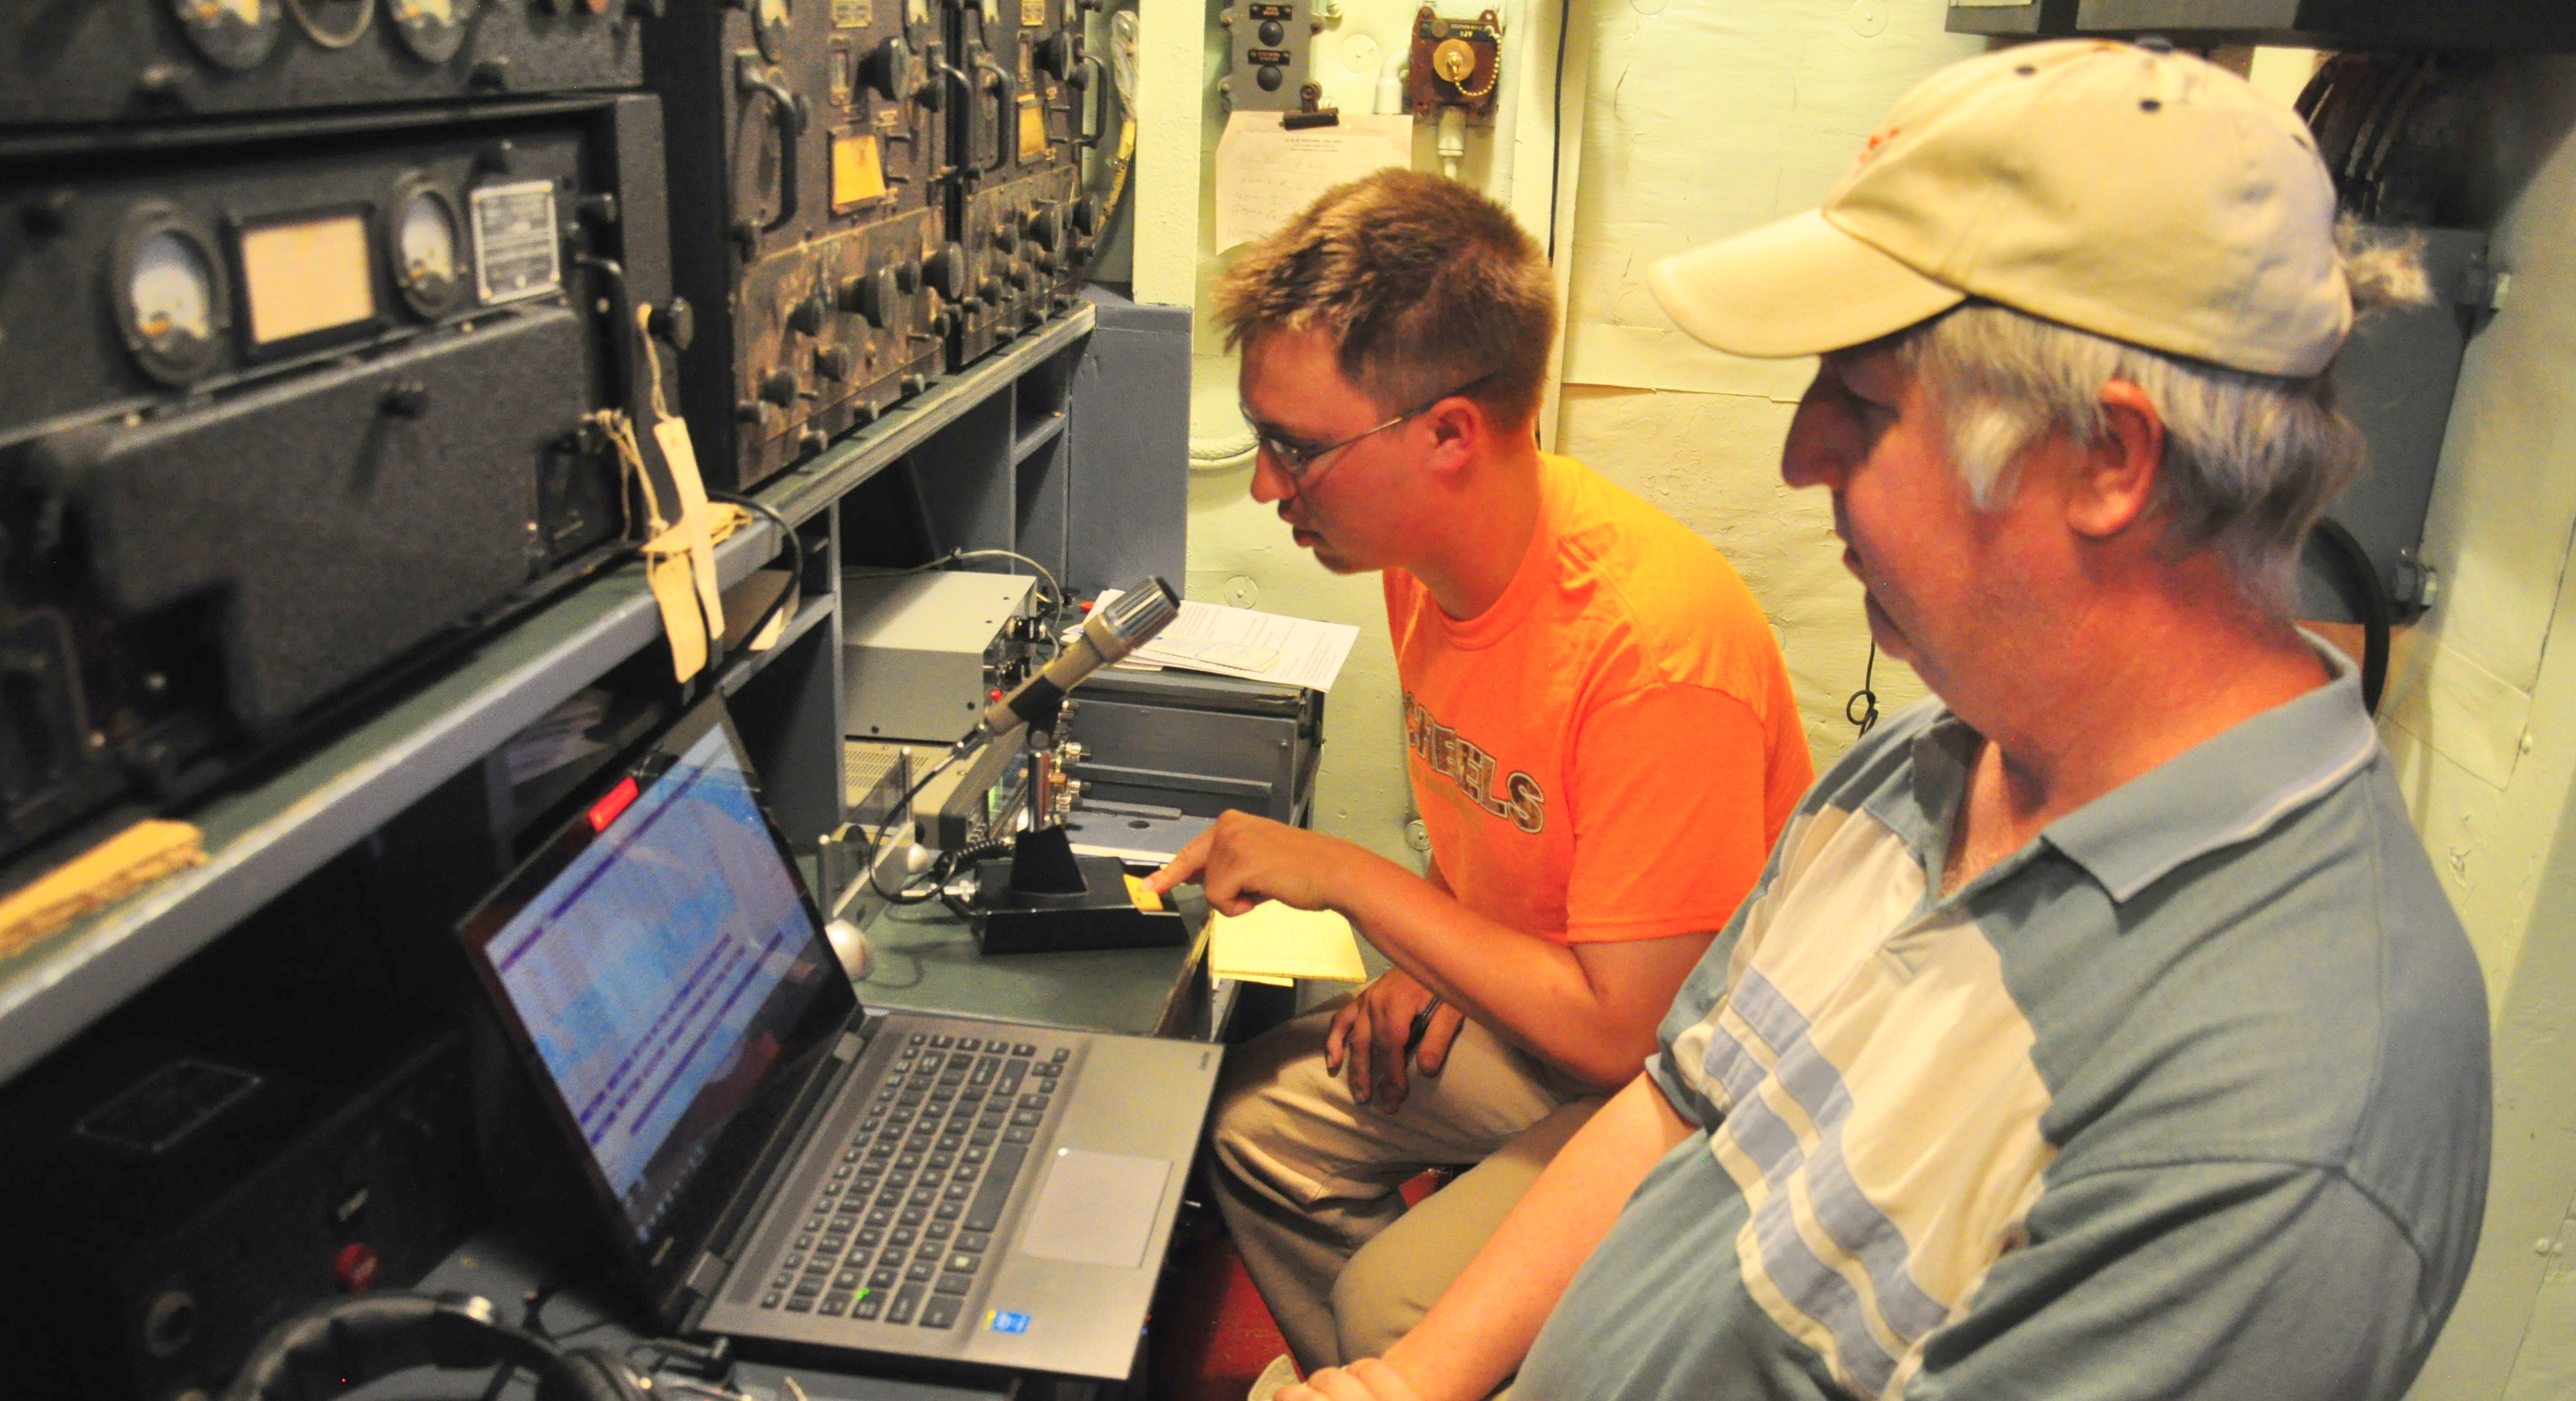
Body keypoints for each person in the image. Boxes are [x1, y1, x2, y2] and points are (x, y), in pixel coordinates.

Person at [1276, 41, 2492, 1401]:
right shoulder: (1917, 766)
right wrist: (1406, 1380)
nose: (1799, 457)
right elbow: (1681, 1098)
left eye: (1860, 404)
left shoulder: (2277, 1107)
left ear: (2108, 458)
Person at [1147, 169, 1813, 1371]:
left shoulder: (1655, 648)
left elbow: (1630, 1035)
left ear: (1449, 434)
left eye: (1295, 447)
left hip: (1685, 1081)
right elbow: (1525, 831)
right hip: (1548, 1010)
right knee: (1256, 1121)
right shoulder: (1423, 561)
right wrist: (1435, 947)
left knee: (1400, 1299)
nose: (1263, 485)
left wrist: (1349, 880)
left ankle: (1419, 1356)